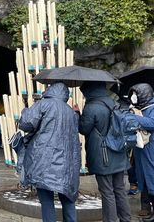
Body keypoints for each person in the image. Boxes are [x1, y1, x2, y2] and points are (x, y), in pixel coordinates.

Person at [18, 82, 80, 222]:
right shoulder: (71, 111)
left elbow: (26, 124)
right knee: (68, 200)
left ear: (50, 89)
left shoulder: (43, 104)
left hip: (44, 161)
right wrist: (77, 113)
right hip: (67, 164)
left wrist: (25, 111)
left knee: (47, 201)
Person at [78, 81, 131, 222]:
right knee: (119, 189)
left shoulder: (91, 107)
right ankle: (126, 218)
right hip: (119, 152)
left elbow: (84, 129)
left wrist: (77, 114)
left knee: (107, 191)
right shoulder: (115, 102)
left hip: (103, 156)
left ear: (89, 91)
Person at [129, 83, 154, 222]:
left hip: (150, 150)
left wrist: (134, 117)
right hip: (141, 150)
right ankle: (145, 207)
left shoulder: (152, 108)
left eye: (136, 94)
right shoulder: (139, 108)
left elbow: (151, 123)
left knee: (152, 178)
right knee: (143, 179)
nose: (134, 97)